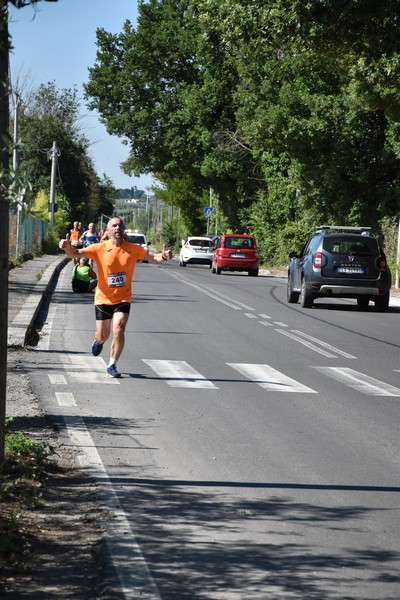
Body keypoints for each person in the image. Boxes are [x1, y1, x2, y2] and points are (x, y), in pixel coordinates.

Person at [59, 216, 172, 378]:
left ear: (123, 229)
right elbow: (76, 253)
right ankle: (99, 341)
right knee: (103, 334)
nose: (117, 228)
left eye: (120, 225)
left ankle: (112, 364)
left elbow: (154, 258)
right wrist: (66, 247)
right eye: (114, 225)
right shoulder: (100, 248)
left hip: (123, 298)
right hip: (103, 298)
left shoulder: (133, 249)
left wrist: (165, 257)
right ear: (108, 230)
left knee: (119, 328)